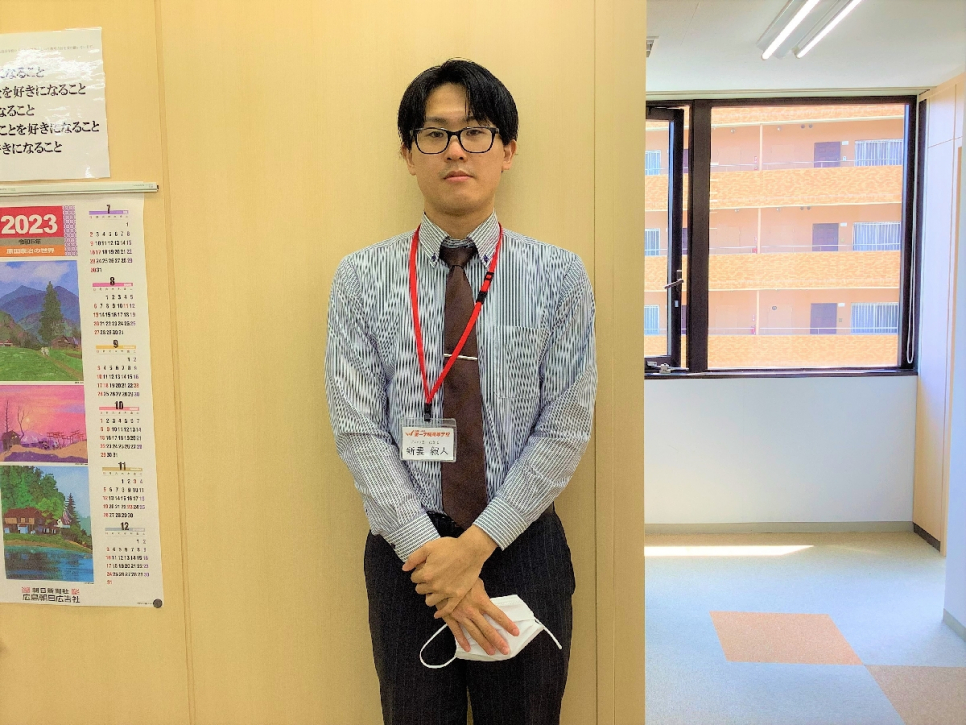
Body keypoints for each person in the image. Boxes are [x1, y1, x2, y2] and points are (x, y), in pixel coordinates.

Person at [325, 58, 596, 725]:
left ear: (507, 150)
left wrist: (473, 549)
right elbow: (358, 428)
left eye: (475, 131)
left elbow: (564, 427)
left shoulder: (559, 276)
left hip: (520, 542)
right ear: (407, 153)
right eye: (434, 133)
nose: (454, 149)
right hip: (408, 553)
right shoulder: (360, 278)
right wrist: (430, 556)